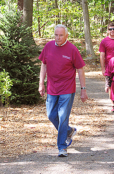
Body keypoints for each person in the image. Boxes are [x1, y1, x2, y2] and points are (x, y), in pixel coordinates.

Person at [38, 24, 88, 157]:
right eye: (56, 35)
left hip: (67, 88)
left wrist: (83, 89)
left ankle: (62, 147)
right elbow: (43, 65)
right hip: (52, 88)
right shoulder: (48, 46)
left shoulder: (72, 49)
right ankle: (68, 131)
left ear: (66, 36)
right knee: (51, 115)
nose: (58, 38)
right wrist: (41, 84)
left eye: (61, 35)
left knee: (62, 116)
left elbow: (80, 69)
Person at [99, 22, 114, 112]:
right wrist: (103, 69)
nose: (112, 31)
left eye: (113, 29)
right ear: (107, 30)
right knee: (110, 86)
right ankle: (113, 104)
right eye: (110, 29)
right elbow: (102, 55)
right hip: (109, 67)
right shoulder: (104, 41)